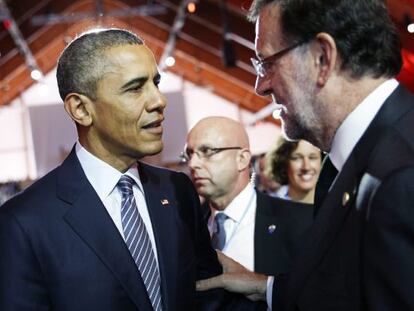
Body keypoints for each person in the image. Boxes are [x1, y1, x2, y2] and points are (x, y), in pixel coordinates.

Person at [196, 0, 414, 310]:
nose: (260, 85)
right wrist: (268, 287)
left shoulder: (399, 176)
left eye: (267, 62)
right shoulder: (363, 156)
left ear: (322, 58)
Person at [0, 28, 223, 311]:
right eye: (135, 88)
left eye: (156, 83)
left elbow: (206, 294)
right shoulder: (23, 223)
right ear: (80, 109)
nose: (159, 101)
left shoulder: (177, 191)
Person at [185, 116, 313, 276]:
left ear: (242, 159)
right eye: (189, 154)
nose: (193, 164)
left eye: (207, 151)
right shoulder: (188, 229)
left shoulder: (301, 221)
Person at [269, 139, 321, 203]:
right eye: (296, 158)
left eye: (312, 157)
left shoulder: (333, 205)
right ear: (283, 163)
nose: (306, 167)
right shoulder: (271, 205)